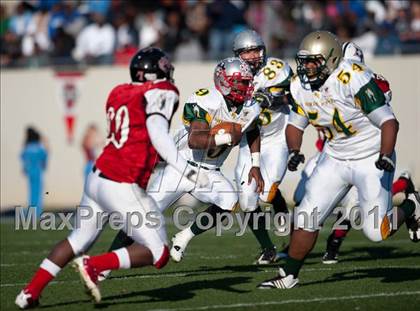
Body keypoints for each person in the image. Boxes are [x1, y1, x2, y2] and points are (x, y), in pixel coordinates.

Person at [15, 47, 200, 308]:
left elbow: (137, 135)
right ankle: (95, 265)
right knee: (159, 252)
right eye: (163, 67)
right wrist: (189, 170)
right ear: (152, 73)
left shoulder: (118, 92)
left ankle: (29, 293)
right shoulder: (162, 92)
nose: (168, 71)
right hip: (121, 182)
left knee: (77, 239)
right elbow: (158, 135)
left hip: (97, 177)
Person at [258, 31, 420, 289]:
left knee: (377, 232)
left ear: (332, 59)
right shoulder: (301, 85)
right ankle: (289, 275)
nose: (307, 67)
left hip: (370, 156)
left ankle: (411, 205)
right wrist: (294, 150)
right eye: (305, 60)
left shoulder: (352, 77)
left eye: (314, 61)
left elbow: (389, 122)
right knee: (305, 216)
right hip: (334, 156)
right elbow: (295, 125)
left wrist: (386, 155)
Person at [103, 57, 263, 270]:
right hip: (182, 167)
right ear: (225, 82)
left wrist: (255, 164)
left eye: (247, 82)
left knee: (229, 201)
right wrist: (225, 137)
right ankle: (104, 264)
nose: (246, 87)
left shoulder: (250, 108)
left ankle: (183, 237)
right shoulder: (205, 100)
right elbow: (195, 141)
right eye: (241, 82)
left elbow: (252, 130)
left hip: (211, 171)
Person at [232, 29, 293, 264]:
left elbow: (296, 95)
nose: (253, 56)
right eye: (246, 53)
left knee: (267, 193)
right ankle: (268, 249)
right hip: (251, 140)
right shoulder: (232, 72)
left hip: (277, 137)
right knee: (247, 202)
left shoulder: (276, 69)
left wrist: (275, 99)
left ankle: (281, 211)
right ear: (238, 55)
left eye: (256, 50)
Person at [20, 127, 48, 217]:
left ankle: (31, 210)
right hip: (38, 171)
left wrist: (25, 168)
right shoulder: (39, 147)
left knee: (31, 192)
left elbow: (23, 157)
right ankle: (37, 211)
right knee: (38, 192)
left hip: (30, 171)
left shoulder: (27, 147)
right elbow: (45, 155)